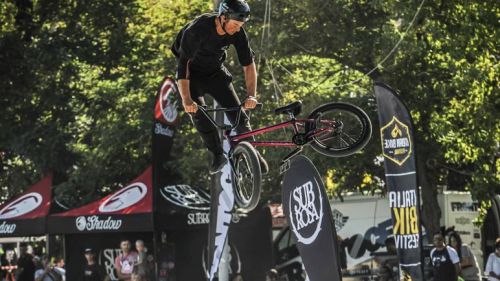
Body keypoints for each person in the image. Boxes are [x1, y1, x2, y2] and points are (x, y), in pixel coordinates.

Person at [171, 0, 268, 175]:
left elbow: (248, 64)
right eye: (235, 24)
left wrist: (251, 96)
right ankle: (217, 154)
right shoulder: (197, 30)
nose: (238, 28)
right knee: (198, 113)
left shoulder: (238, 33)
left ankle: (251, 152)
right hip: (191, 76)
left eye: (241, 25)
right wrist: (187, 100)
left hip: (215, 73)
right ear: (223, 17)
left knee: (239, 115)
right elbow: (183, 65)